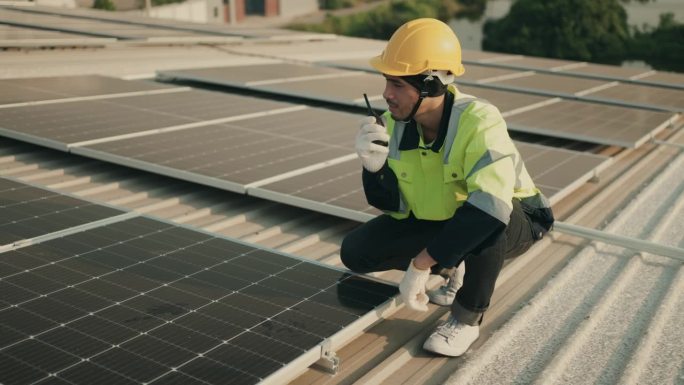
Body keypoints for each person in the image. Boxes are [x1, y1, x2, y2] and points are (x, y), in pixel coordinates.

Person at [340, 18, 554, 357]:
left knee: (488, 219)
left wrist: (421, 264)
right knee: (355, 251)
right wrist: (374, 170)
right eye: (385, 81)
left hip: (518, 219)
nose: (386, 94)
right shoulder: (395, 126)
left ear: (430, 86)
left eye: (397, 84)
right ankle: (457, 260)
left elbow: (490, 208)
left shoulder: (479, 120)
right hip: (449, 217)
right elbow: (395, 208)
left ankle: (466, 318)